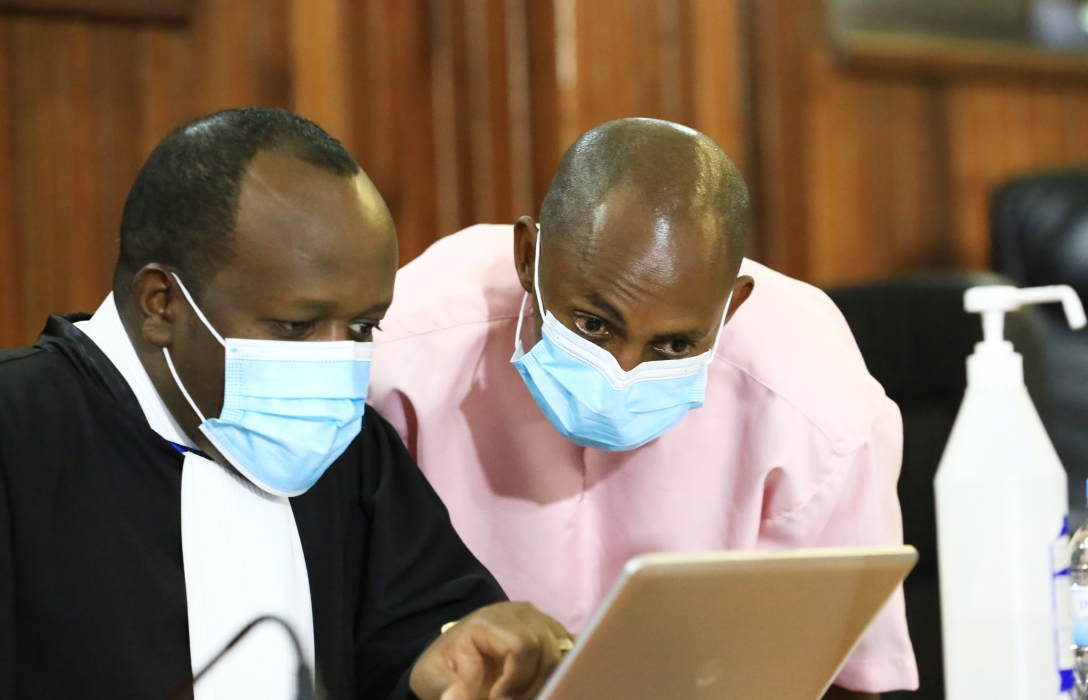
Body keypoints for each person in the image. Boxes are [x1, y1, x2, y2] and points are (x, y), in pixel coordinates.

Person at [0, 108, 570, 700]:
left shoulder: (349, 448)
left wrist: (440, 670)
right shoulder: (19, 431)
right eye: (297, 327)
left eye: (360, 328)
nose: (331, 365)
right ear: (161, 303)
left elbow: (413, 650)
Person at [369, 118, 919, 698]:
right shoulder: (399, 351)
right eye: (593, 324)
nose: (621, 375)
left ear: (731, 309)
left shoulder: (820, 406)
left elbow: (843, 676)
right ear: (527, 254)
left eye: (674, 345)